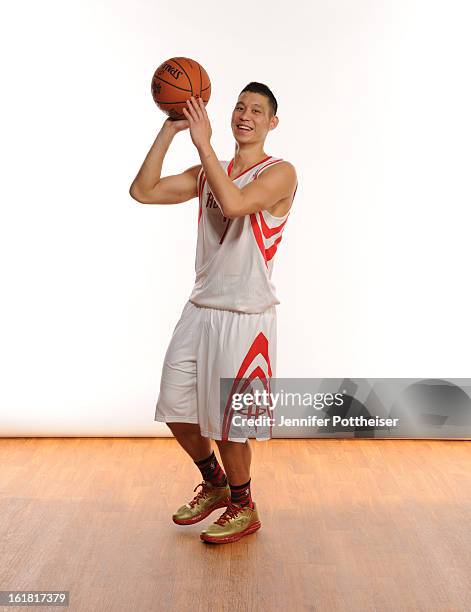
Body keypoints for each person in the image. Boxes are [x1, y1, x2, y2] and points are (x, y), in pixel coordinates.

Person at [129, 82, 297, 544]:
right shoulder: (210, 169)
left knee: (230, 426)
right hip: (199, 308)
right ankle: (215, 482)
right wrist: (171, 129)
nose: (245, 114)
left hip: (245, 317)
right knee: (176, 406)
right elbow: (142, 191)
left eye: (257, 110)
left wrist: (202, 145)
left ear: (272, 123)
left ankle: (245, 506)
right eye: (240, 106)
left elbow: (237, 203)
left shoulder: (281, 173)